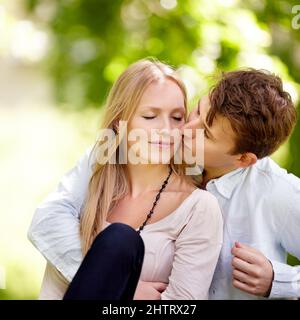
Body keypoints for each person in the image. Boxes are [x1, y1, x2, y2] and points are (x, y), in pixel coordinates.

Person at [28, 58, 223, 300]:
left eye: (177, 117)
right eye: (150, 116)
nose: (166, 129)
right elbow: (46, 221)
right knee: (119, 240)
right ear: (120, 124)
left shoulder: (198, 207)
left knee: (121, 240)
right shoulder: (97, 174)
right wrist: (123, 285)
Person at [183, 69, 300, 299]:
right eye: (197, 110)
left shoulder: (279, 193)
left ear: (243, 159)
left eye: (205, 134)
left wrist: (279, 281)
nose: (186, 130)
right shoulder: (165, 155)